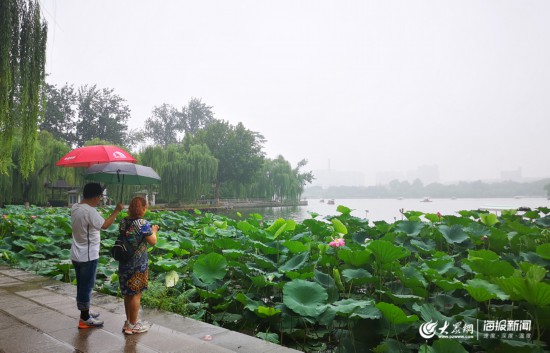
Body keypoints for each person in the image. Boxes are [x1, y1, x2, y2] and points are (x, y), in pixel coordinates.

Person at [71, 182, 124, 329]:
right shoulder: (90, 212)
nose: (100, 199)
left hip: (76, 253)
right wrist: (117, 210)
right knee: (86, 286)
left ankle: (85, 310)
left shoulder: (76, 207)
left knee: (82, 284)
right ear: (95, 196)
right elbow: (105, 225)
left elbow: (96, 222)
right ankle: (85, 318)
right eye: (100, 196)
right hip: (88, 255)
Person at [118, 196, 158, 335]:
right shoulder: (143, 223)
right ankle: (134, 325)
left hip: (123, 263)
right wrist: (155, 231)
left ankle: (128, 322)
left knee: (128, 294)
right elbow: (153, 241)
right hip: (138, 264)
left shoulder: (123, 222)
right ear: (143, 208)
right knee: (136, 294)